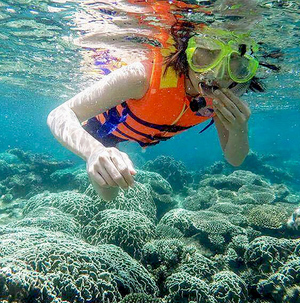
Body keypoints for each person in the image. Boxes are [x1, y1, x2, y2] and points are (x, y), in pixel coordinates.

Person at [47, 24, 267, 201]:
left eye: (237, 66)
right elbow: (59, 114)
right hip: (102, 131)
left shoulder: (223, 94)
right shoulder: (143, 77)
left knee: (112, 192)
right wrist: (94, 151)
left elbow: (234, 159)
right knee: (109, 195)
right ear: (186, 53)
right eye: (206, 55)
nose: (218, 75)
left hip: (140, 133)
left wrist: (239, 129)